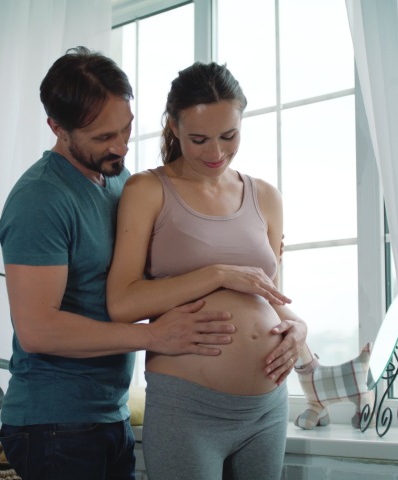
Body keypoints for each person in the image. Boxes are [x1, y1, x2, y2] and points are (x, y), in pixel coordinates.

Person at [0, 47, 301, 480]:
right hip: (56, 420)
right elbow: (37, 330)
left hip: (109, 410)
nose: (120, 146)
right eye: (104, 137)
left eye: (126, 129)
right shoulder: (40, 200)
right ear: (57, 128)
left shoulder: (114, 177)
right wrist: (154, 334)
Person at [106, 62, 308, 480]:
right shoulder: (147, 190)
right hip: (188, 406)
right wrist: (216, 274)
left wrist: (299, 328)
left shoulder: (265, 196)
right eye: (198, 139)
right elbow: (122, 303)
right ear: (174, 127)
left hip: (268, 408)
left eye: (228, 136)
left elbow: (272, 297)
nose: (215, 153)